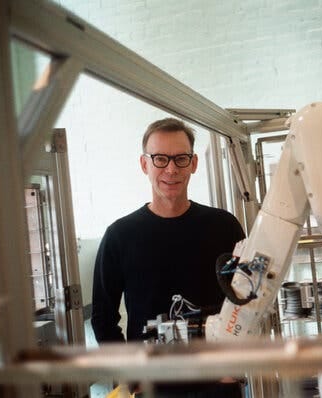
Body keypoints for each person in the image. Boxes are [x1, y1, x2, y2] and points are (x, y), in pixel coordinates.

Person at [91, 117, 246, 397]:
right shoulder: (119, 235)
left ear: (194, 163)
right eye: (160, 159)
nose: (171, 169)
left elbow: (247, 299)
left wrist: (231, 369)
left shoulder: (224, 226)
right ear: (144, 164)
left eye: (181, 159)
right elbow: (103, 317)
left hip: (216, 383)